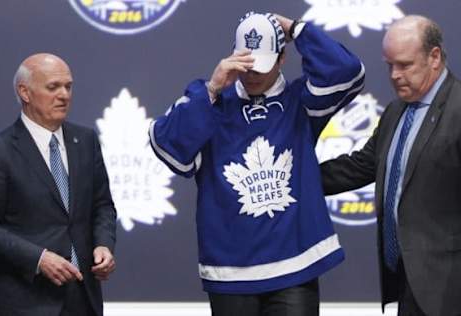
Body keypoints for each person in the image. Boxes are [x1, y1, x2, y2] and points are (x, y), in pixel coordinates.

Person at [149, 11, 364, 315]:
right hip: (230, 271)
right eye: (247, 65)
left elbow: (347, 71)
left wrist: (297, 29)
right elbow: (166, 144)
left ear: (282, 59)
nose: (253, 75)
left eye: (262, 66)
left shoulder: (299, 101)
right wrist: (212, 89)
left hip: (295, 264)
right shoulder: (210, 102)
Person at [321, 15, 461, 315]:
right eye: (389, 66)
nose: (395, 75)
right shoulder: (396, 112)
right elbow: (359, 167)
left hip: (449, 287)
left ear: (434, 57)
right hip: (408, 283)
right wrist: (292, 178)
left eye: (405, 65)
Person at [0, 53, 117, 316]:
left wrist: (103, 244)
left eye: (68, 86)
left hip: (83, 296)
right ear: (25, 92)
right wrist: (38, 258)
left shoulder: (86, 140)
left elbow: (102, 205)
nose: (64, 95)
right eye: (53, 87)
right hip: (27, 300)